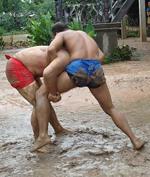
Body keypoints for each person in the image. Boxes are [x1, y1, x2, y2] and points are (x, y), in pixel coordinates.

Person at [42, 22, 145, 150]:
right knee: (111, 108)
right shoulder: (84, 34)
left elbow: (51, 49)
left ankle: (41, 136)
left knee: (42, 96)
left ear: (55, 33)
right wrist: (89, 66)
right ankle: (135, 140)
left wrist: (57, 65)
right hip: (95, 68)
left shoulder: (61, 34)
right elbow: (101, 56)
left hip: (78, 67)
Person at [5, 46, 71, 152]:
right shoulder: (66, 59)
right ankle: (39, 140)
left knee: (42, 101)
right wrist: (54, 93)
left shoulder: (65, 53)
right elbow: (52, 76)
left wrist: (53, 92)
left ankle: (58, 129)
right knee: (38, 103)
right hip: (18, 67)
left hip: (25, 65)